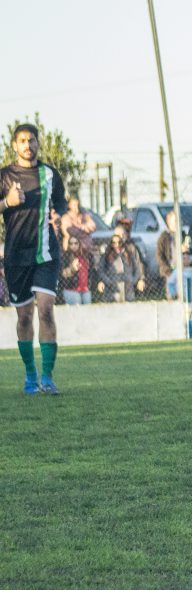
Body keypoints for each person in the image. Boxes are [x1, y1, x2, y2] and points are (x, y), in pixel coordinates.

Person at [1, 123, 68, 395]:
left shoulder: (50, 174)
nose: (28, 145)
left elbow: (61, 201)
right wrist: (7, 202)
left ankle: (48, 377)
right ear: (15, 146)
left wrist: (59, 214)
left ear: (38, 144)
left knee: (46, 310)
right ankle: (31, 376)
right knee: (25, 317)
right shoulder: (5, 176)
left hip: (46, 254)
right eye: (23, 141)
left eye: (32, 140)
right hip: (16, 257)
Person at [97, 231, 144, 303]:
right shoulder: (106, 256)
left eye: (119, 242)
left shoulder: (128, 254)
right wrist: (108, 281)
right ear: (111, 244)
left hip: (128, 290)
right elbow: (101, 270)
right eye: (114, 243)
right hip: (113, 291)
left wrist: (133, 280)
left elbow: (137, 268)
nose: (117, 245)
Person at [156, 210, 191, 299]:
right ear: (169, 223)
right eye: (175, 221)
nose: (178, 223)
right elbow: (159, 255)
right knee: (173, 294)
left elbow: (190, 251)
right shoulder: (164, 237)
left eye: (180, 220)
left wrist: (186, 252)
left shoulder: (184, 235)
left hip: (184, 270)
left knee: (185, 294)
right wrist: (167, 270)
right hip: (171, 271)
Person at [59, 235, 92, 305]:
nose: (73, 245)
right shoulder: (65, 257)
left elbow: (92, 271)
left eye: (76, 243)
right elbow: (62, 274)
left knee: (88, 312)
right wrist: (72, 269)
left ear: (79, 244)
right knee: (77, 312)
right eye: (71, 243)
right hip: (72, 289)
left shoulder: (86, 256)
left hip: (85, 289)